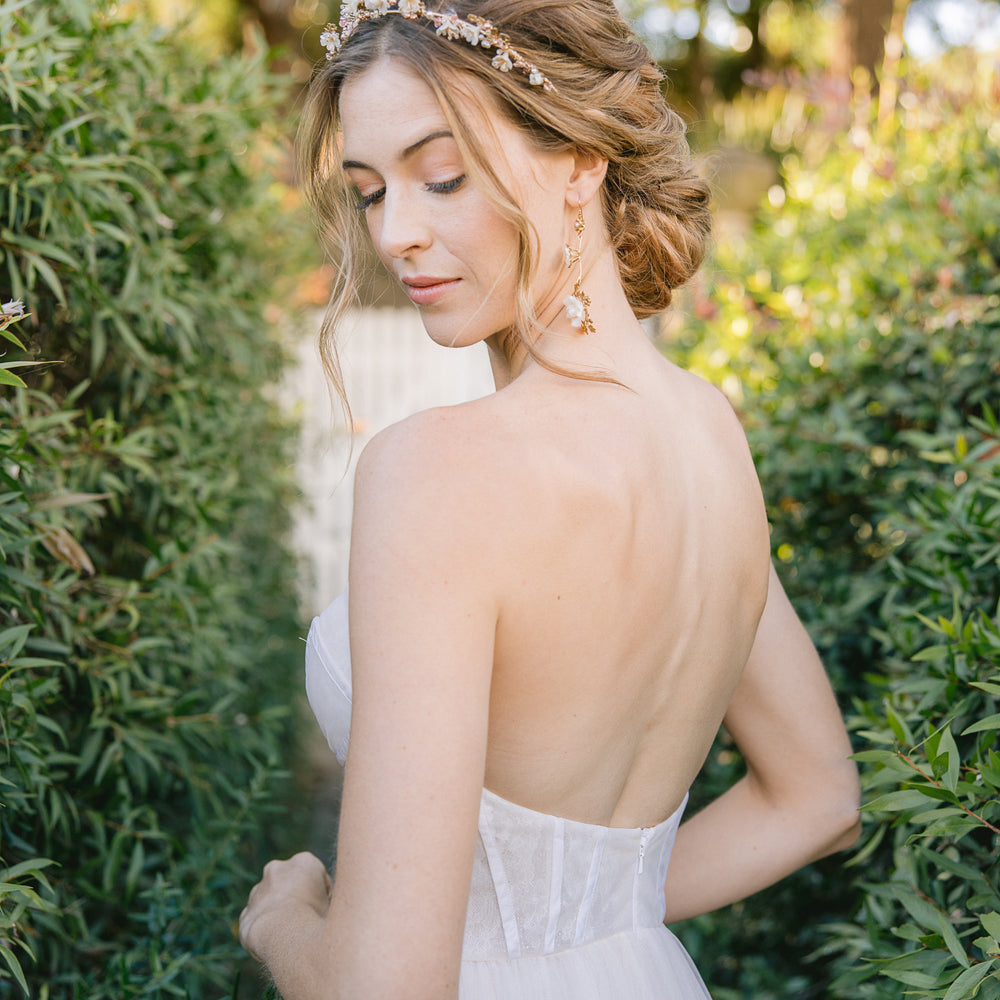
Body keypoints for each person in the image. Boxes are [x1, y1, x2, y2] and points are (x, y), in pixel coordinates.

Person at [238, 2, 861, 997]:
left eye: (441, 175)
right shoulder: (711, 437)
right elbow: (818, 795)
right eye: (368, 191)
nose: (397, 232)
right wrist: (585, 920)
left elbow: (386, 987)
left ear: (580, 161)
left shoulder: (435, 471)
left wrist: (282, 921)